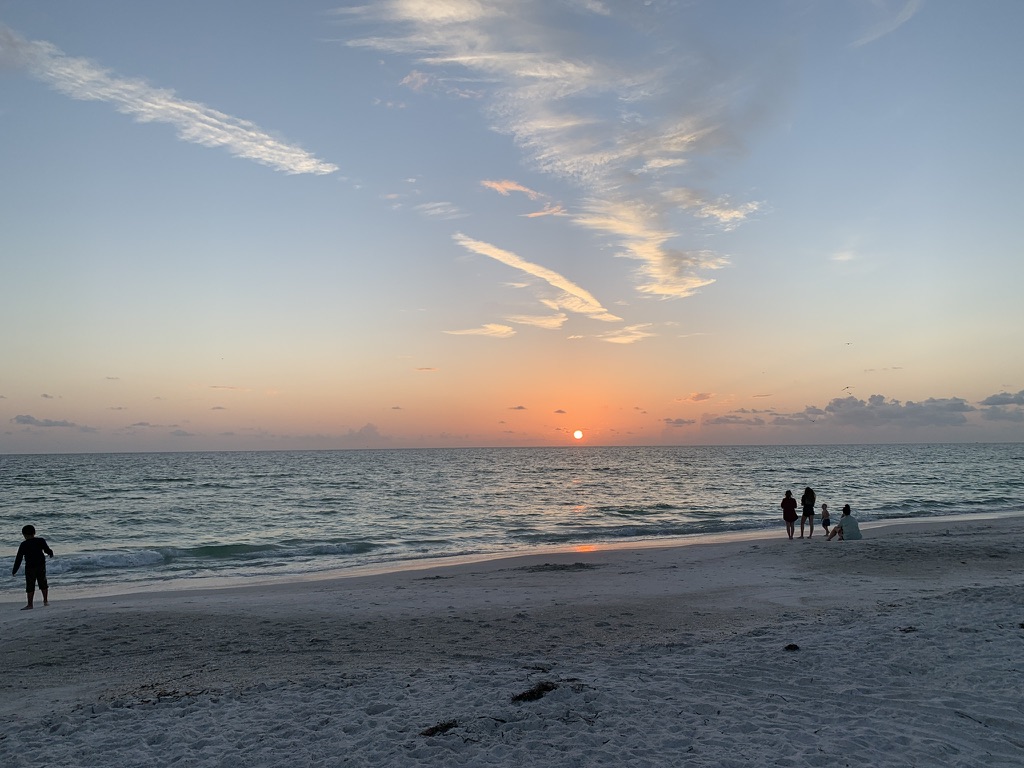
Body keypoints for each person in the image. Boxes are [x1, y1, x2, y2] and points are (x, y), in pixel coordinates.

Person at [12, 525, 54, 610]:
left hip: (30, 567)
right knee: (43, 582)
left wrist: (15, 570)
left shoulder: (24, 544)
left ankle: (30, 604)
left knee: (30, 585)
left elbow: (19, 558)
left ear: (24, 535)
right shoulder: (40, 540)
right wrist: (50, 553)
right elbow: (47, 549)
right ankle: (45, 601)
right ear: (34, 533)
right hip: (40, 565)